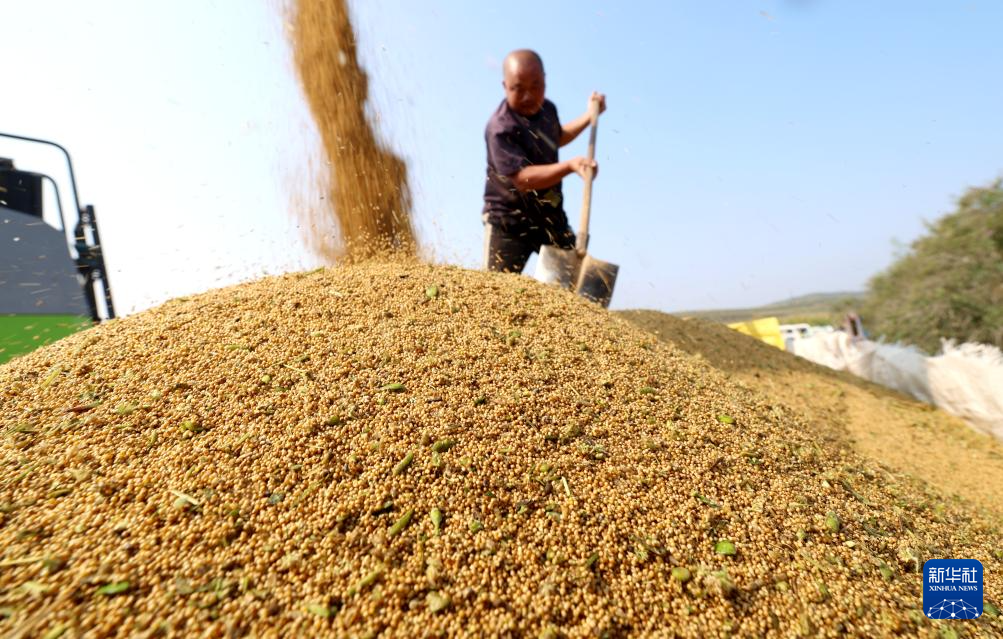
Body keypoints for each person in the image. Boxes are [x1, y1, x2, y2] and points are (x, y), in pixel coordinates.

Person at [482, 49, 606, 273]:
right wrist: (570, 166)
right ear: (504, 86)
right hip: (508, 222)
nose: (529, 96)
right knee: (497, 295)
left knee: (569, 285)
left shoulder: (548, 110)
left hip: (549, 217)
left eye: (536, 86)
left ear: (545, 81)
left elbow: (555, 138)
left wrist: (589, 116)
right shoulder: (500, 128)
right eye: (518, 89)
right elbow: (522, 178)